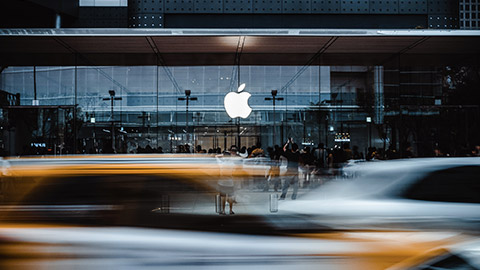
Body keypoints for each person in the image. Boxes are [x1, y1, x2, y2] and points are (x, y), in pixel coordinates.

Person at [216, 145, 239, 215]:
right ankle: (231, 210)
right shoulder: (232, 164)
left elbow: (216, 156)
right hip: (230, 182)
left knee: (223, 197)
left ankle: (223, 211)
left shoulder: (221, 164)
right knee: (230, 197)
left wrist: (222, 155)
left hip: (222, 182)